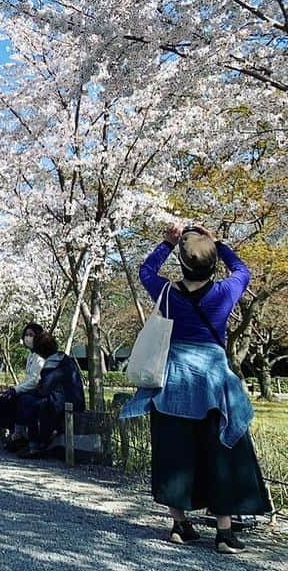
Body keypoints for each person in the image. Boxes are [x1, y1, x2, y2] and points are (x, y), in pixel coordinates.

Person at [121, 223, 271, 554]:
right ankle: (224, 533)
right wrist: (217, 243)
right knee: (221, 453)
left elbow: (146, 270)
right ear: (213, 262)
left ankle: (179, 525)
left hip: (172, 380)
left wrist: (167, 243)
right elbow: (242, 270)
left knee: (175, 451)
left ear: (183, 263)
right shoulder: (225, 292)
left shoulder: (166, 294)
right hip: (213, 383)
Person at [15, 332, 85, 457]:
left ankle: (35, 443)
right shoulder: (64, 359)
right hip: (74, 401)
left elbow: (44, 389)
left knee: (26, 401)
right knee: (31, 400)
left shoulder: (53, 363)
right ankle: (31, 441)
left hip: (63, 404)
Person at [0, 322, 46, 452]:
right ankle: (11, 434)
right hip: (30, 391)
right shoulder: (31, 355)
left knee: (20, 399)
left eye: (31, 335)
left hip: (39, 393)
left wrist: (16, 390)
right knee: (4, 398)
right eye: (26, 335)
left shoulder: (41, 356)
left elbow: (35, 380)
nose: (28, 338)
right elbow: (28, 379)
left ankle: (21, 436)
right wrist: (14, 389)